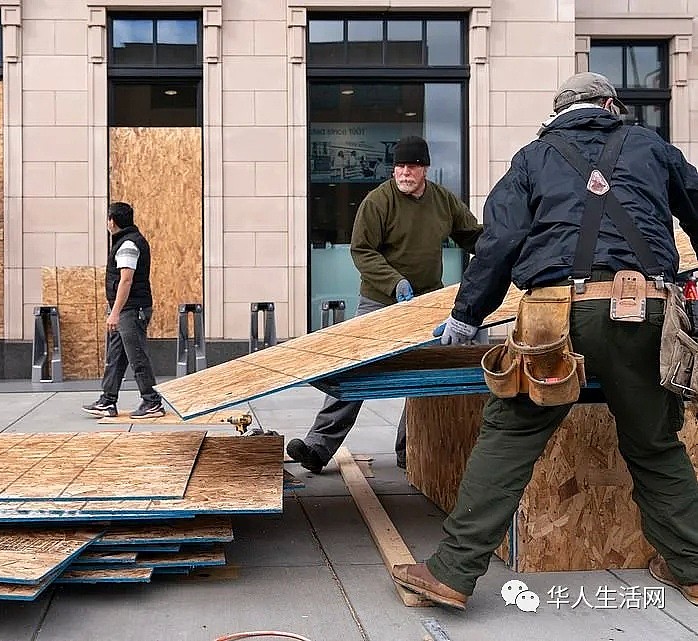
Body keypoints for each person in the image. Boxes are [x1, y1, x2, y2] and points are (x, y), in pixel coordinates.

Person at [392, 72, 698, 611]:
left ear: (557, 113)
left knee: (510, 435)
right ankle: (693, 568)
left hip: (555, 316)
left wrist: (467, 317)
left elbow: (499, 243)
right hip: (647, 310)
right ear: (609, 105)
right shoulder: (651, 146)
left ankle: (453, 571)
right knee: (654, 444)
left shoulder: (533, 157)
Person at [286, 136, 483, 474]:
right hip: (379, 301)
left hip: (426, 302)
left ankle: (412, 449)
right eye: (399, 166)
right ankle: (319, 446)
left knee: (425, 377)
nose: (405, 172)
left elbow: (471, 235)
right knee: (353, 369)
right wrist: (394, 282)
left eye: (412, 166)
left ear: (424, 168)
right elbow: (362, 250)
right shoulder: (378, 201)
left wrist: (502, 251)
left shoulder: (442, 201)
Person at [83, 202, 166, 420]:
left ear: (113, 221)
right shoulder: (125, 241)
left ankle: (152, 402)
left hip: (131, 309)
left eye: (108, 219)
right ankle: (108, 401)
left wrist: (115, 312)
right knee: (115, 356)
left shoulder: (128, 244)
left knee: (137, 356)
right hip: (126, 309)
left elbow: (126, 280)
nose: (107, 223)